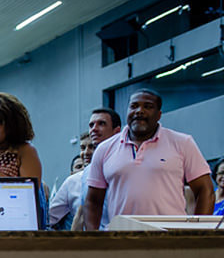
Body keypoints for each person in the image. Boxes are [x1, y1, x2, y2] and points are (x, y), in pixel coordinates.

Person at [83, 89, 213, 230]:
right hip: (121, 240)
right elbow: (93, 201)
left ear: (159, 115)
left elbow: (205, 190)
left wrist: (198, 233)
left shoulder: (182, 143)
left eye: (148, 106)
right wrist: (94, 237)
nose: (139, 111)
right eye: (134, 106)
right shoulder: (104, 149)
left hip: (171, 239)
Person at [73, 107, 123, 230]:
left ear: (117, 131)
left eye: (101, 124)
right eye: (91, 125)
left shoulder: (123, 165)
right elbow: (83, 212)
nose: (94, 129)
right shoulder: (88, 170)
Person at [49, 133, 93, 230]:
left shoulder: (114, 177)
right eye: (82, 148)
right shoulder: (72, 182)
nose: (86, 152)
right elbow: (50, 218)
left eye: (92, 147)